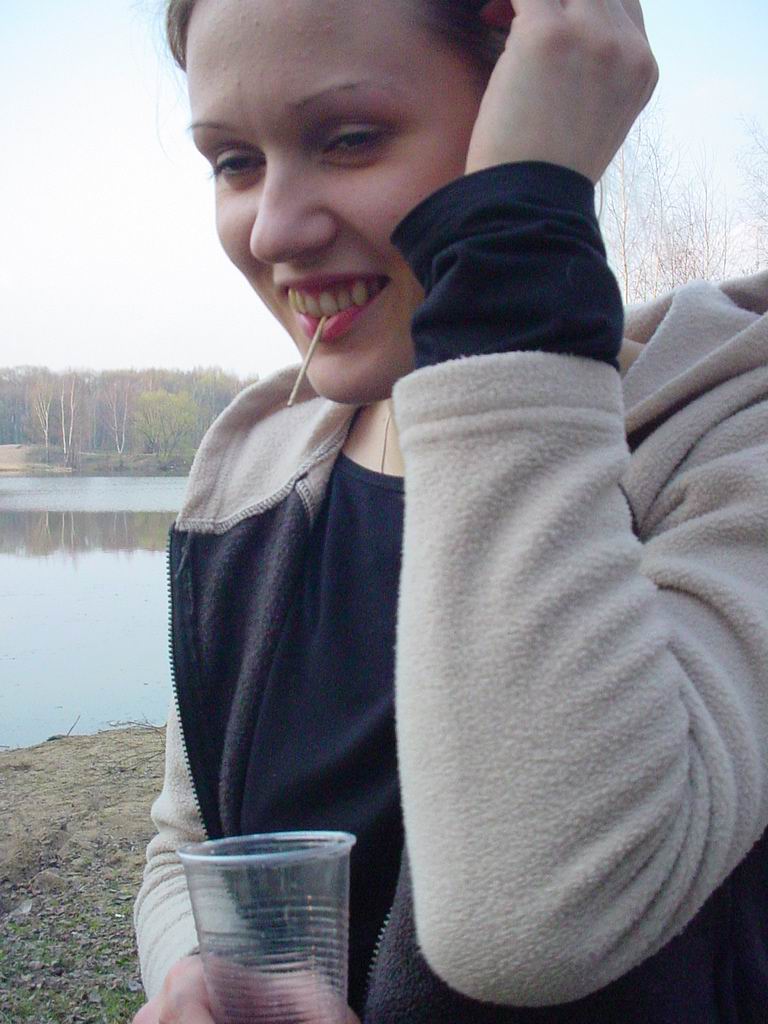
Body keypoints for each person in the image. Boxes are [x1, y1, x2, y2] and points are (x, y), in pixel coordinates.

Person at [133, 0, 768, 1020]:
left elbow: (531, 927)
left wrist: (516, 231)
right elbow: (191, 844)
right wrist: (198, 973)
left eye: (349, 138)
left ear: (535, 102)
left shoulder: (726, 432)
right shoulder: (252, 474)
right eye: (234, 161)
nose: (272, 229)